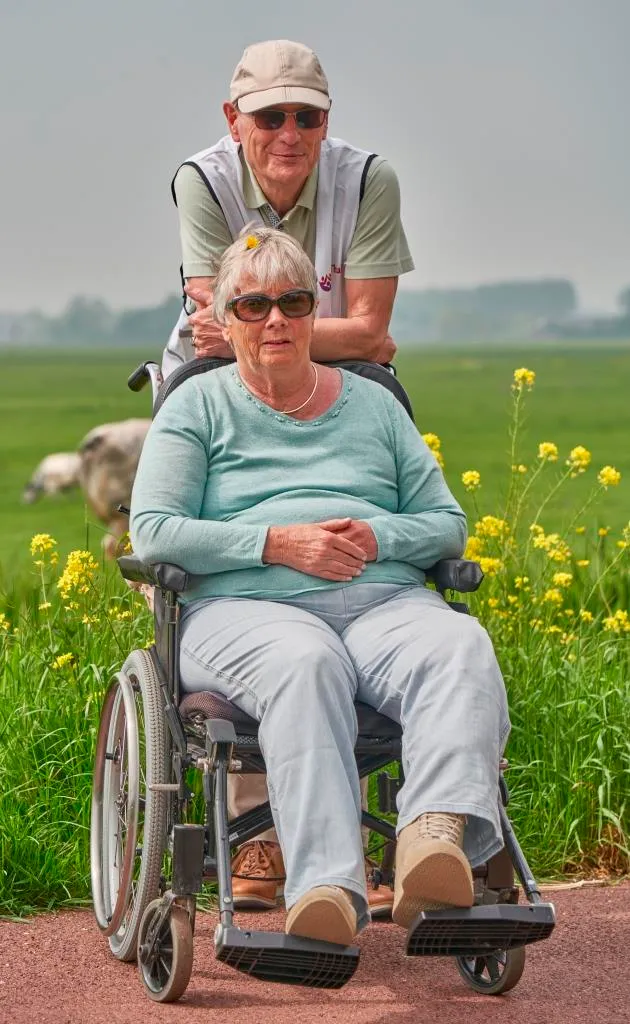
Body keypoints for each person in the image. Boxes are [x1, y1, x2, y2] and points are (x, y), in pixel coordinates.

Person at [130, 229, 510, 944]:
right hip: (245, 608)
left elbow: (445, 524)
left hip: (382, 599)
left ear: (312, 312)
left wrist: (380, 537)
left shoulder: (375, 406)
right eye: (253, 305)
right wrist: (277, 542)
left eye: (294, 301)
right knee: (306, 663)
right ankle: (327, 886)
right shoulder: (197, 406)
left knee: (458, 645)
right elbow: (153, 531)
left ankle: (431, 837)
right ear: (230, 321)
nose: (276, 319)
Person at [162, 38, 415, 913]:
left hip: (342, 390)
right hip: (212, 381)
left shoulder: (366, 179)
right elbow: (209, 330)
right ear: (236, 122)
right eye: (271, 116)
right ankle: (261, 836)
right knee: (244, 587)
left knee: (382, 590)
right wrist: (304, 321)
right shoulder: (203, 179)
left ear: (326, 121)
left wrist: (266, 323)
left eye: (308, 116)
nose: (291, 133)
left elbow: (377, 336)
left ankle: (409, 841)